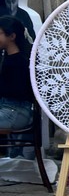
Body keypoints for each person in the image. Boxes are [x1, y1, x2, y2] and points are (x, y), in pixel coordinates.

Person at [0, 16, 36, 155]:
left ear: (12, 36)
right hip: (7, 108)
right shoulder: (7, 59)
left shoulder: (20, 62)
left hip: (16, 111)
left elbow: (18, 92)